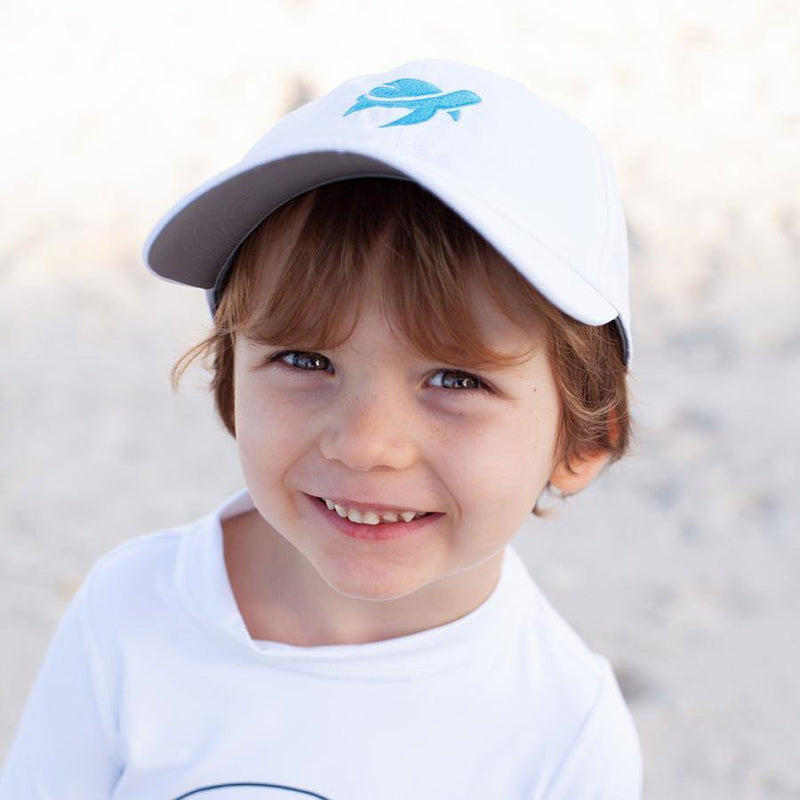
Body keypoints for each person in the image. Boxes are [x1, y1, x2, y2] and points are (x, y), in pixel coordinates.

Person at [0, 59, 642, 799]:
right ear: (233, 378)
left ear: (584, 441)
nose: (364, 443)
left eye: (456, 379)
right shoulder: (129, 614)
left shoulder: (565, 733)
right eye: (306, 359)